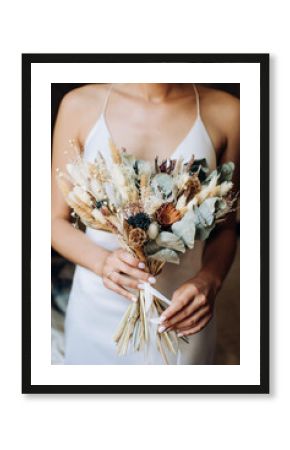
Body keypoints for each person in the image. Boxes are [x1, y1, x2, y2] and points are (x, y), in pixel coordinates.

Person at [51, 83, 240, 364]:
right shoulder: (79, 105)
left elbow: (225, 225)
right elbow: (53, 221)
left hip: (182, 316)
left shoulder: (228, 112)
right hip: (96, 309)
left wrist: (209, 280)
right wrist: (101, 262)